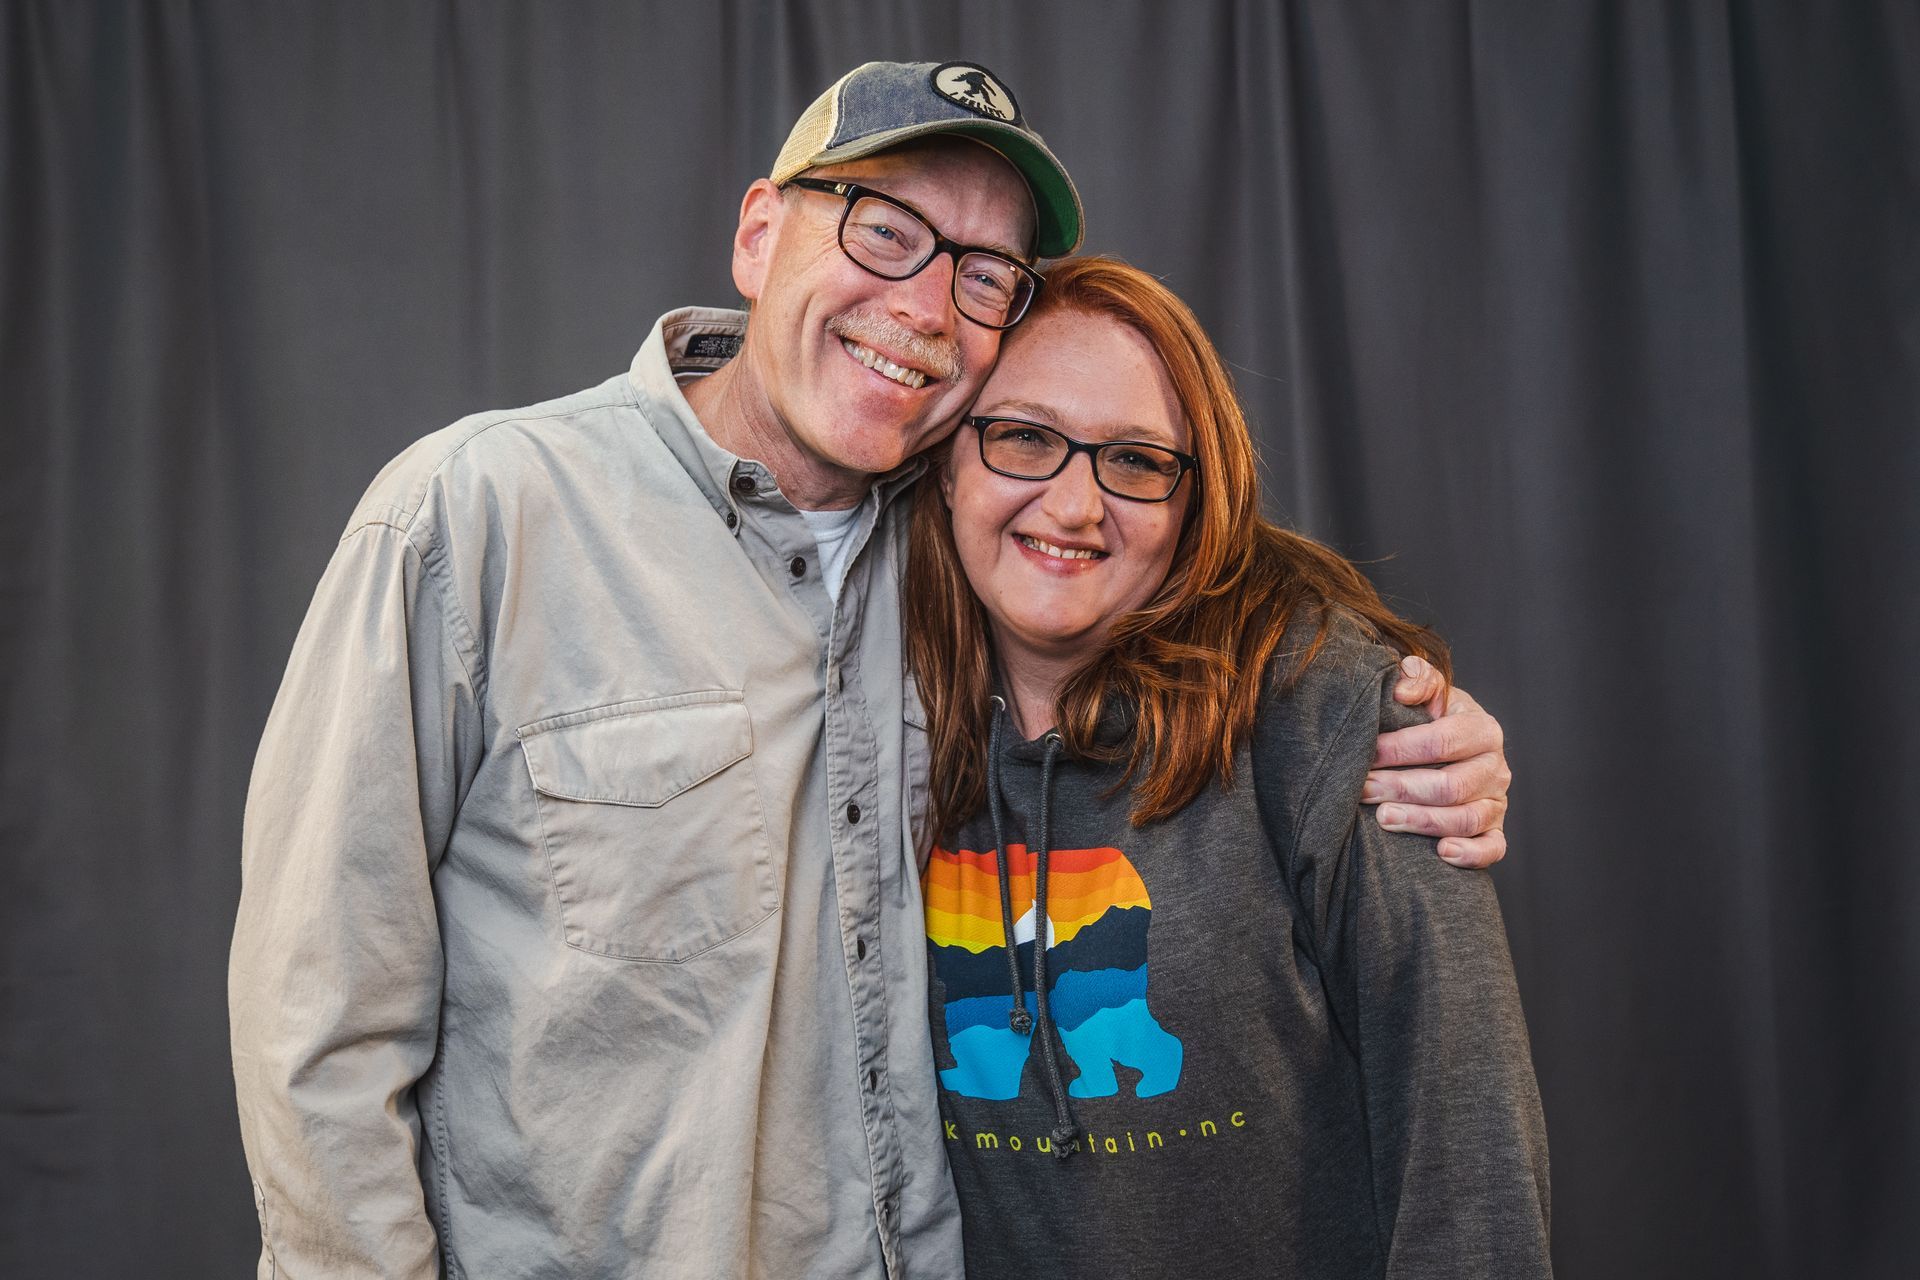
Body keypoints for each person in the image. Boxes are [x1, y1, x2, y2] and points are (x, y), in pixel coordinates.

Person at [230, 62, 1515, 1279]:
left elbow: (1190, 550)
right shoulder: (480, 516)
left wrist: (1411, 713)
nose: (921, 306)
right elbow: (321, 1034)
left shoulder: (967, 560)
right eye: (882, 229)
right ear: (758, 234)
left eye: (981, 273)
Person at [908, 255, 1550, 1277]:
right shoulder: (865, 714)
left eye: (1133, 460)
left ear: (1192, 497)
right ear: (947, 458)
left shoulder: (1328, 708)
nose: (1075, 505)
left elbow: (1466, 1137)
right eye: (1025, 437)